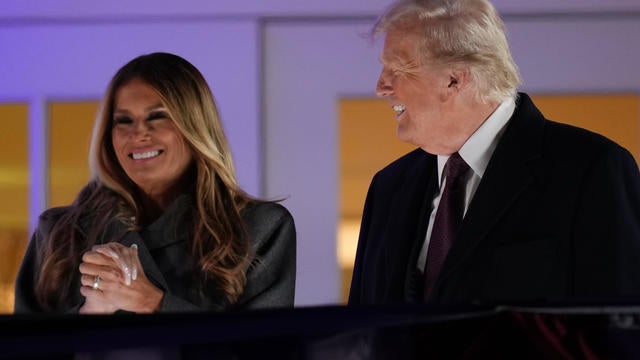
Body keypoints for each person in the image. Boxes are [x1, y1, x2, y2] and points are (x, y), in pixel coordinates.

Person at [349, 0, 640, 305]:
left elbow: (618, 334)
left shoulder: (592, 171)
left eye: (397, 68)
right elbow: (358, 335)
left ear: (455, 79)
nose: (381, 87)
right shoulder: (388, 188)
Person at [15, 52, 296, 313]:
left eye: (158, 116)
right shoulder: (57, 234)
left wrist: (151, 301)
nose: (138, 134)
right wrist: (91, 313)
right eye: (123, 121)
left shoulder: (259, 229)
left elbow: (265, 350)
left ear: (195, 126)